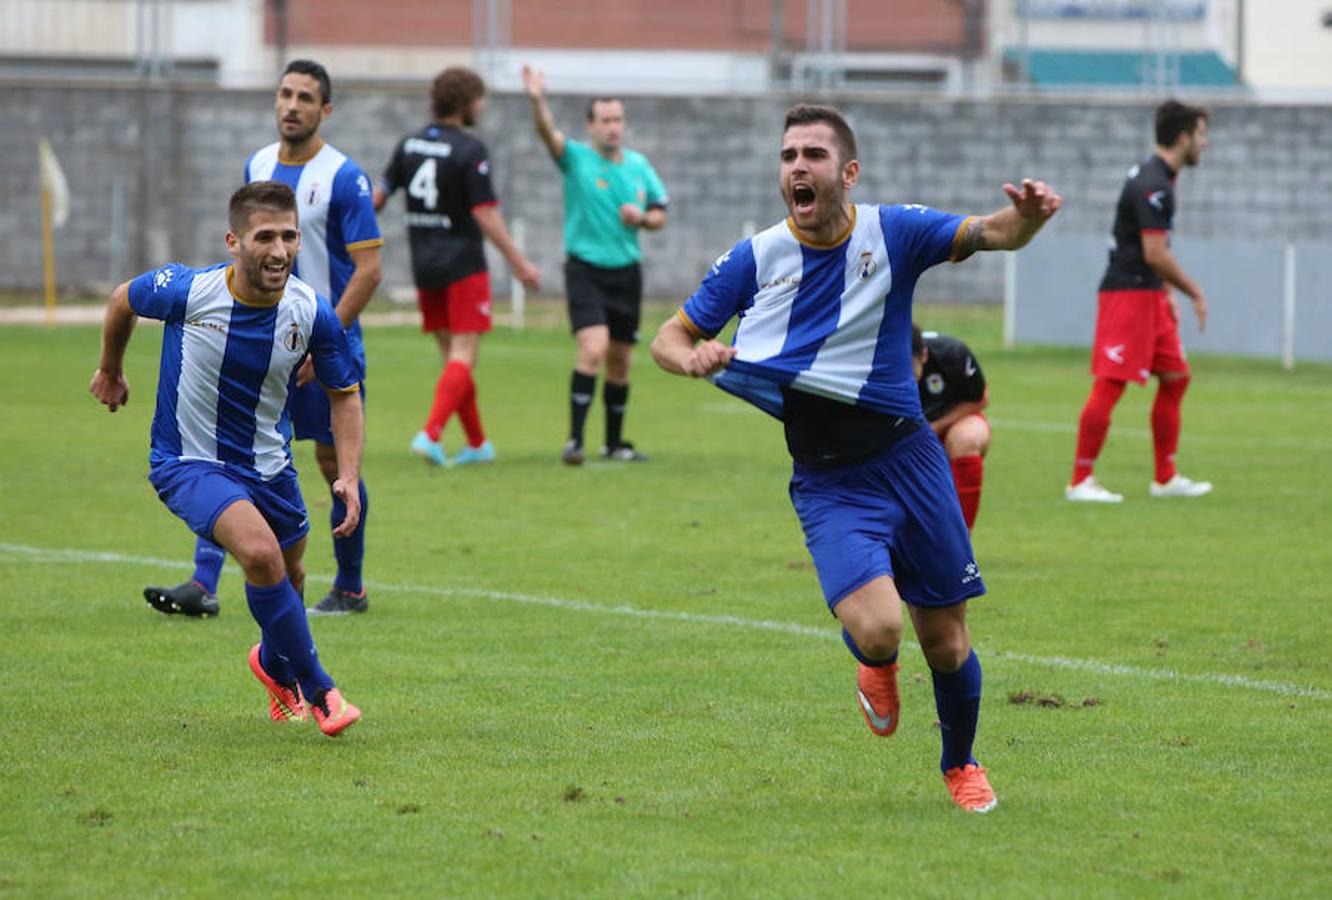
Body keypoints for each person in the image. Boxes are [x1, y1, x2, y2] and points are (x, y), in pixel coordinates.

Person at [651, 105, 1061, 813]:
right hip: (828, 478)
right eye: (787, 156)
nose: (797, 167)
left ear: (848, 172)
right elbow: (668, 335)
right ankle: (875, 665)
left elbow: (995, 233)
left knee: (947, 642)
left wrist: (1029, 218)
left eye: (812, 154)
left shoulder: (892, 231)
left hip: (910, 459)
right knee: (879, 628)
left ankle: (960, 764)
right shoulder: (756, 257)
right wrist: (692, 359)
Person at [90, 181, 362, 736]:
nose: (280, 250)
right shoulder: (188, 290)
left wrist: (350, 478)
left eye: (289, 237)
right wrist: (111, 368)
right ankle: (322, 691)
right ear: (234, 241)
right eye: (265, 237)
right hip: (188, 461)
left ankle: (273, 664)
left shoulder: (311, 311)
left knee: (290, 571)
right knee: (260, 555)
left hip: (270, 467)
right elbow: (123, 299)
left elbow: (344, 393)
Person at [143, 59, 384, 617]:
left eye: (305, 97)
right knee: (227, 457)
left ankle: (350, 587)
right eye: (285, 93)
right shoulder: (257, 163)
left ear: (325, 111)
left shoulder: (345, 177)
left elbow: (368, 271)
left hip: (321, 343)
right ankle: (204, 585)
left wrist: (322, 345)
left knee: (333, 465)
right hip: (262, 343)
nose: (291, 105)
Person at [374, 66, 540, 468]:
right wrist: (520, 263)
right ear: (465, 102)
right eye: (479, 99)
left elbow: (377, 198)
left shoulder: (408, 144)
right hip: (464, 264)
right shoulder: (470, 149)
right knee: (463, 356)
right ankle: (430, 434)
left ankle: (478, 444)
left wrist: (349, 240)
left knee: (454, 359)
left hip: (425, 266)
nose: (481, 106)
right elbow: (485, 214)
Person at [522, 64, 669, 465]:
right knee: (594, 348)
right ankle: (574, 441)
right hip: (585, 269)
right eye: (605, 120)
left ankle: (614, 444)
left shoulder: (639, 165)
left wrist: (642, 219)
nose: (613, 127)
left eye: (618, 119)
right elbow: (547, 135)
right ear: (590, 126)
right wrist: (538, 100)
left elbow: (660, 213)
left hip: (627, 272)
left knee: (621, 361)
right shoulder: (576, 159)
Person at [1066, 99, 1212, 503]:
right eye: (1201, 134)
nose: (1205, 143)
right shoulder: (1154, 185)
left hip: (1149, 292)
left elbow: (1150, 250)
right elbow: (1154, 253)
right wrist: (1193, 291)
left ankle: (1165, 477)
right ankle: (1081, 480)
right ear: (1183, 137)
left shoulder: (1161, 178)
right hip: (1127, 292)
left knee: (1176, 377)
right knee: (1111, 383)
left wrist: (1165, 294)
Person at [913, 325, 990, 531]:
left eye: (910, 368)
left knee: (967, 438)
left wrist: (937, 426)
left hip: (952, 421)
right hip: (908, 430)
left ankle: (962, 539)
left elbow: (980, 398)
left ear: (924, 355)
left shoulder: (952, 353)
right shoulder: (880, 361)